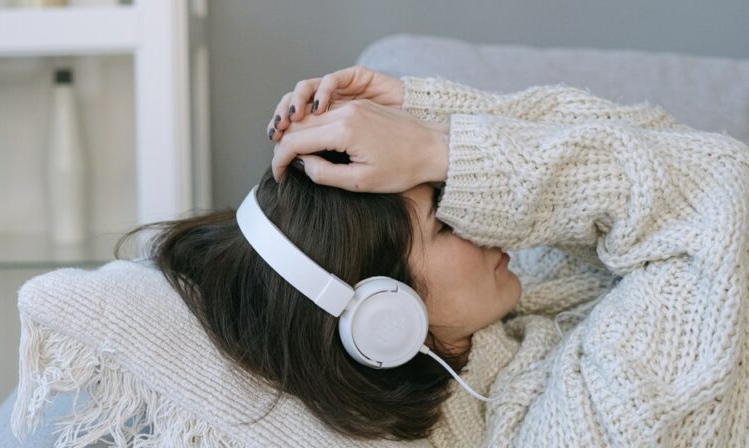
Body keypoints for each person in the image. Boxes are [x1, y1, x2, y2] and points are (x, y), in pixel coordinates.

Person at [121, 66, 749, 446]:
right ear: (384, 317)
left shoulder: (520, 308)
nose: (482, 213)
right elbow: (721, 186)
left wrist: (427, 119)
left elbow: (661, 147)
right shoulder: (588, 422)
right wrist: (445, 154)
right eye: (448, 219)